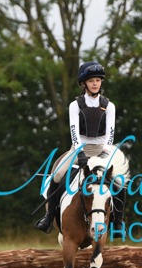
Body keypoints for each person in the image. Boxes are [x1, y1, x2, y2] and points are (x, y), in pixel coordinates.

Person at [35, 61, 127, 238]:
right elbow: (74, 132)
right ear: (84, 83)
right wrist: (80, 153)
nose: (95, 83)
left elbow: (110, 134)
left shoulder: (109, 106)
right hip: (79, 148)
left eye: (98, 80)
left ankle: (118, 222)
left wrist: (105, 153)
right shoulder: (75, 105)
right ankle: (49, 217)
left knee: (120, 181)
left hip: (102, 149)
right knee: (57, 175)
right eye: (91, 80)